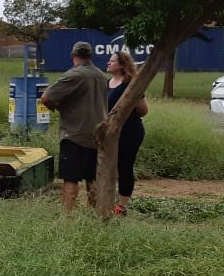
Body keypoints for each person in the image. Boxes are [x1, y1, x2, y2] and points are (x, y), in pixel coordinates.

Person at [40, 41, 108, 213]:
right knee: (92, 178)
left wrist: (57, 107)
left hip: (74, 134)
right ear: (90, 55)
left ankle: (67, 218)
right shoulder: (101, 76)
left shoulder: (74, 75)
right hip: (97, 134)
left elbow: (46, 98)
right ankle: (94, 214)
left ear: (73, 55)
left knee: (71, 178)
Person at [106, 51, 149, 215]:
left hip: (130, 132)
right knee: (108, 166)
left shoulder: (131, 84)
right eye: (109, 60)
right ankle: (106, 200)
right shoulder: (107, 83)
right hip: (110, 134)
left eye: (112, 61)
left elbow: (143, 110)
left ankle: (121, 206)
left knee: (124, 166)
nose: (108, 63)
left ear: (123, 65)